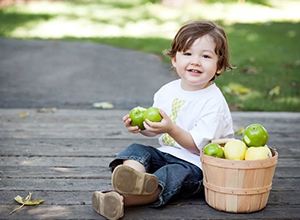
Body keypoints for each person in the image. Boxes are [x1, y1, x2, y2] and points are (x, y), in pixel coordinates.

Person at [92, 20, 234, 220]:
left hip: (197, 166)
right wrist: (142, 127)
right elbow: (156, 130)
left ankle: (120, 199)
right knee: (137, 150)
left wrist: (171, 129)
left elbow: (197, 147)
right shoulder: (167, 91)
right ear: (175, 59)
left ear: (219, 66)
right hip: (166, 154)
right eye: (188, 53)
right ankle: (134, 179)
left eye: (206, 56)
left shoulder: (213, 102)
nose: (195, 61)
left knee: (170, 174)